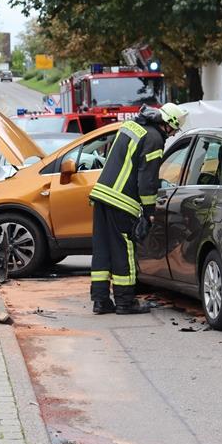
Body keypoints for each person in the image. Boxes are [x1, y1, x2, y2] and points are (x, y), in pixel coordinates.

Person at [89, 103, 188, 315]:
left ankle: (100, 300)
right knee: (124, 250)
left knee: (102, 249)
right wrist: (149, 210)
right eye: (173, 130)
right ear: (168, 124)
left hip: (101, 194)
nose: (171, 135)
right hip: (122, 201)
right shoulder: (154, 139)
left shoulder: (132, 126)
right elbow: (147, 178)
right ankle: (125, 302)